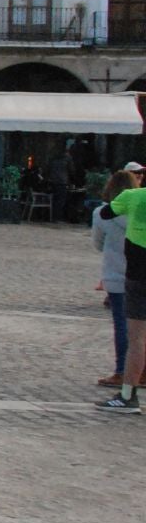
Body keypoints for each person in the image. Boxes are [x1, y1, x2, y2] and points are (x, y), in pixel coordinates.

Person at [96, 175, 146, 412]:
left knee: (136, 339)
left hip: (138, 277)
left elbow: (106, 213)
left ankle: (128, 396)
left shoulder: (132, 197)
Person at [93, 170, 136, 386]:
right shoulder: (140, 212)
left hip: (116, 274)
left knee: (121, 323)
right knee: (140, 327)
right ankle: (140, 371)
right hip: (140, 273)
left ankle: (121, 370)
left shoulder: (102, 213)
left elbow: (98, 244)